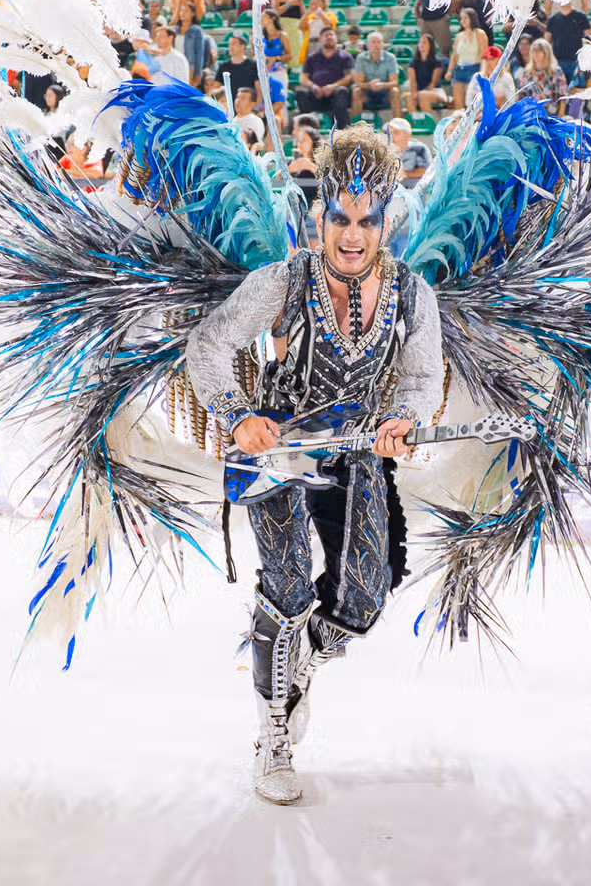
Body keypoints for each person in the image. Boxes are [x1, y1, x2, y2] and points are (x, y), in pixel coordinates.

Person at [185, 127, 442, 805]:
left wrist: (405, 420)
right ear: (317, 215)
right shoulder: (282, 281)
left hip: (355, 452)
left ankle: (295, 660)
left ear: (386, 222)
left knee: (364, 595)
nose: (351, 236)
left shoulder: (414, 295)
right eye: (339, 218)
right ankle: (273, 731)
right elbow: (209, 347)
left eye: (366, 221)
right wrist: (239, 414)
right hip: (276, 451)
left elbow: (420, 381)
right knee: (290, 586)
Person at [298, 27, 354, 128]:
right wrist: (313, 86)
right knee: (301, 93)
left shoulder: (345, 56)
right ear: (320, 39)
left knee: (342, 92)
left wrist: (333, 87)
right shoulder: (312, 57)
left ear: (336, 38)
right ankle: (307, 128)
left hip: (335, 94)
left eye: (331, 35)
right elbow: (303, 78)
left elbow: (349, 76)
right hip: (317, 94)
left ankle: (342, 130)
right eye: (326, 35)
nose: (329, 37)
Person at [349, 33, 400, 122]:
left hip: (385, 90)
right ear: (368, 45)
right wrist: (370, 85)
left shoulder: (390, 57)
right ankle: (356, 126)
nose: (376, 45)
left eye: (379, 42)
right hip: (367, 90)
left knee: (395, 91)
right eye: (373, 42)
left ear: (383, 44)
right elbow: (359, 82)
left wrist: (382, 85)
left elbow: (394, 82)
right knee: (356, 92)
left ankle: (397, 124)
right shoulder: (361, 58)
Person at [404, 31, 448, 115]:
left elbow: (432, 84)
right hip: (419, 91)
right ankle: (415, 122)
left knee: (423, 95)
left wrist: (420, 94)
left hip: (435, 91)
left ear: (430, 46)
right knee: (409, 97)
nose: (421, 44)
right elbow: (412, 82)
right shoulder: (413, 63)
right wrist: (414, 93)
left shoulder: (437, 62)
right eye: (420, 42)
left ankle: (428, 122)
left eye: (424, 42)